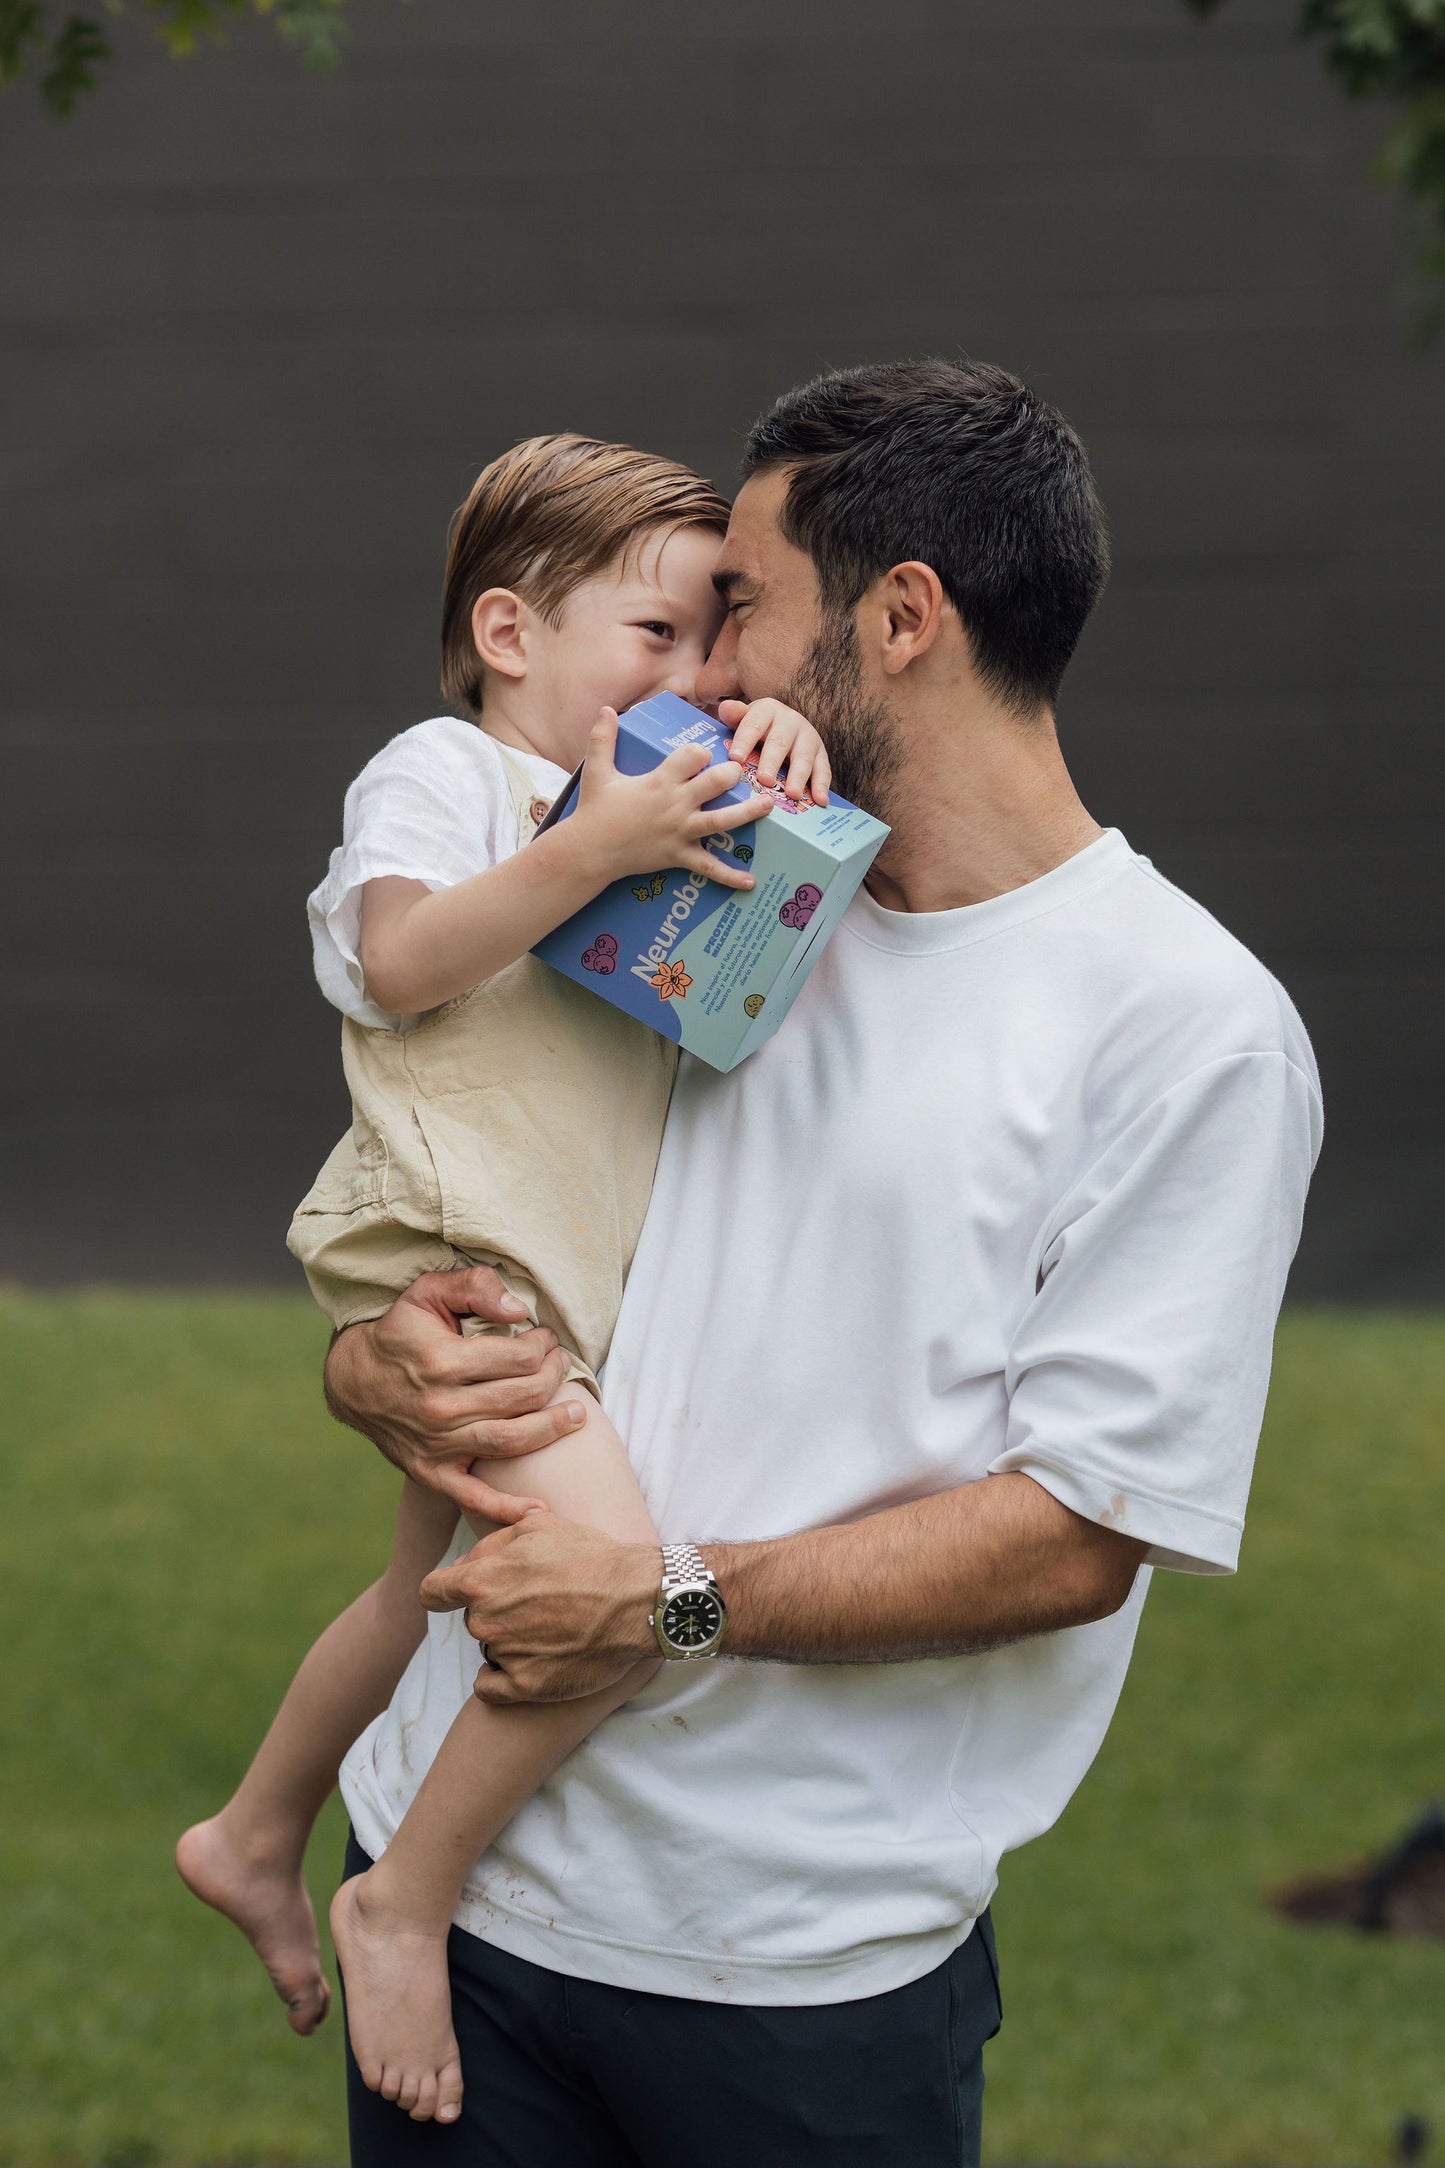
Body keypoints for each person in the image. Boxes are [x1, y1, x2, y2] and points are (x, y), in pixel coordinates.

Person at [325, 357, 1325, 2167]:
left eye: (746, 616)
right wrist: (372, 1357)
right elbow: (474, 1148)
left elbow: (1079, 1533)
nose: (700, 675)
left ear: (903, 618)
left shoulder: (1187, 1029)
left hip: (789, 1978)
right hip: (446, 1895)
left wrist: (664, 1601)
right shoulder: (706, 879)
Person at [175, 432, 830, 2126]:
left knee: (419, 1602)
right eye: (659, 639)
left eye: (719, 645)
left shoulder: (657, 789)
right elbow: (395, 962)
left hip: (561, 1270)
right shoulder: (443, 775)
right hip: (462, 1263)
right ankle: (399, 1898)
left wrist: (780, 744)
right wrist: (584, 844)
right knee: (617, 1590)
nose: (698, 678)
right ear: (510, 632)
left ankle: (252, 1831)